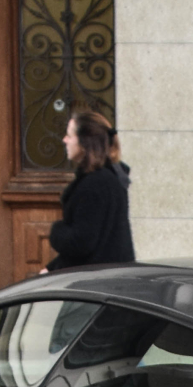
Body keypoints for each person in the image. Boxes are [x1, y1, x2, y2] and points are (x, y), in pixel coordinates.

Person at [44, 108, 133, 271]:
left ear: (85, 143)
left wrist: (57, 230)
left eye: (70, 136)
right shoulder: (110, 178)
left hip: (95, 285)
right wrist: (52, 268)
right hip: (107, 281)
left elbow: (81, 243)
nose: (64, 140)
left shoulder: (95, 184)